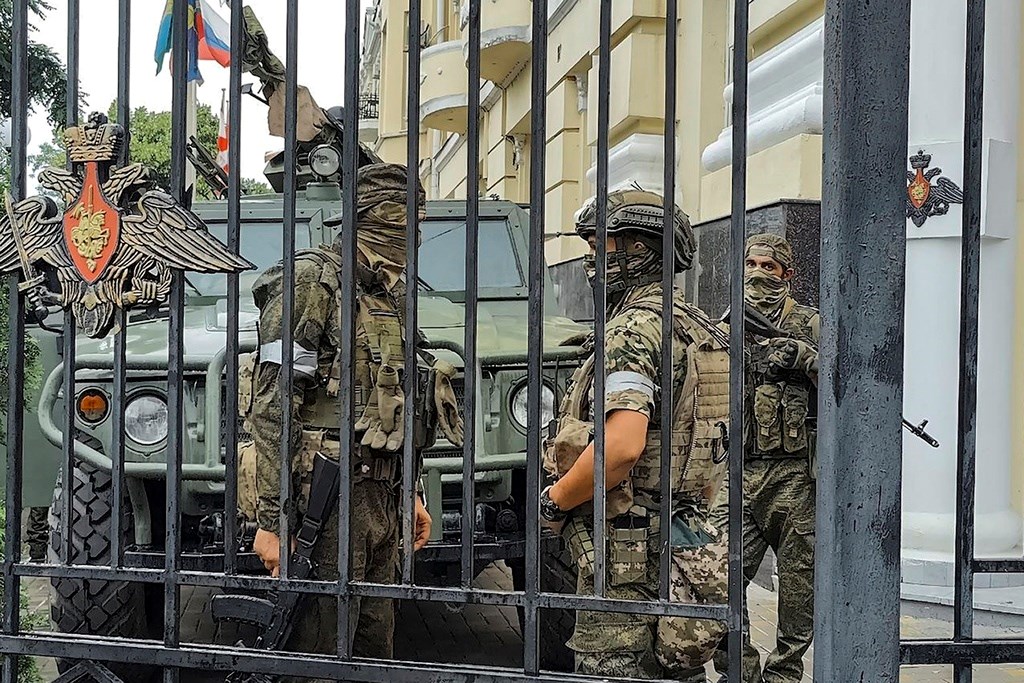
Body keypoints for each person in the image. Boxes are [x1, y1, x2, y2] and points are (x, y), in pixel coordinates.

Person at [240, 163, 460, 677]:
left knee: (372, 651)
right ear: (378, 218)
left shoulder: (388, 295)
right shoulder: (312, 282)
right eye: (409, 220)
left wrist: (412, 492)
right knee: (320, 652)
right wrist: (273, 522)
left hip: (381, 497)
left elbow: (400, 401)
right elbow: (273, 404)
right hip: (327, 496)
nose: (417, 234)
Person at [540, 188, 730, 682]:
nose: (590, 261)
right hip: (684, 541)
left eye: (600, 247)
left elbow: (622, 447)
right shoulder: (700, 328)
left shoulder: (635, 329)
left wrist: (555, 502)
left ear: (639, 251)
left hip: (628, 552)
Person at [710, 233, 819, 683]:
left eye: (768, 267)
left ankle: (784, 676)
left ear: (787, 274)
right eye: (750, 263)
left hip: (794, 478)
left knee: (798, 594)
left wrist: (805, 358)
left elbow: (850, 378)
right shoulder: (729, 321)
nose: (757, 273)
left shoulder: (809, 323)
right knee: (713, 577)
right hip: (738, 473)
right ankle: (742, 672)